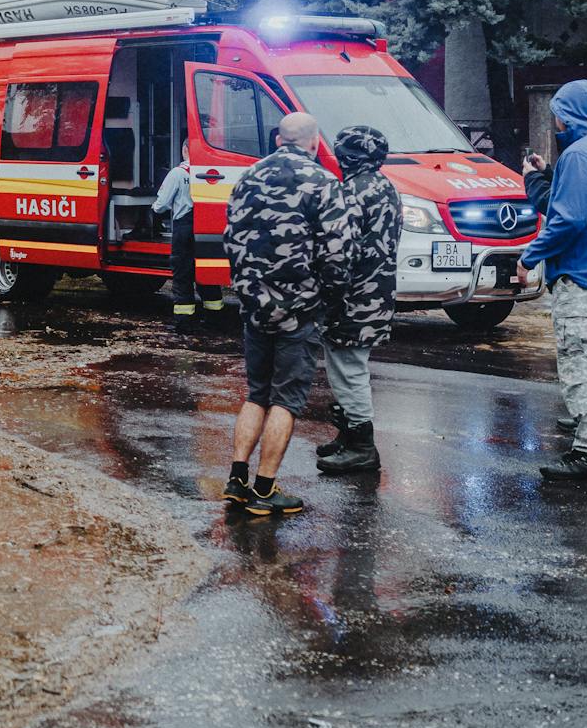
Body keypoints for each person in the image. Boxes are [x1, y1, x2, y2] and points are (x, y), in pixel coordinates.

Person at [222, 111, 353, 517]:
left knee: (256, 393)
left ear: (279, 140)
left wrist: (247, 289)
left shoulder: (248, 178)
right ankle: (264, 489)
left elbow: (231, 238)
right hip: (299, 308)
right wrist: (328, 299)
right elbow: (338, 254)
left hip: (253, 305)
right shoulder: (323, 182)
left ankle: (237, 479)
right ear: (314, 142)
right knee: (286, 399)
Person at [518, 81, 587, 481]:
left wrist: (530, 255)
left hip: (580, 276)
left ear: (569, 113)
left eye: (559, 113)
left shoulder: (580, 155)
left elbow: (567, 219)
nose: (557, 121)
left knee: (580, 365)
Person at [315, 125, 401, 476]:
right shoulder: (386, 187)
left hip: (353, 295)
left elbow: (339, 253)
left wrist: (327, 298)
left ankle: (362, 447)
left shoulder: (350, 191)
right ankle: (349, 436)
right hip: (378, 292)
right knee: (351, 367)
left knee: (347, 369)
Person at [151, 139, 222, 330]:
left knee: (183, 274)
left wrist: (152, 209)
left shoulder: (178, 173)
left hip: (184, 227)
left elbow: (161, 205)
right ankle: (215, 318)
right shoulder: (210, 173)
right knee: (206, 273)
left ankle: (184, 322)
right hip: (206, 226)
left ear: (184, 150)